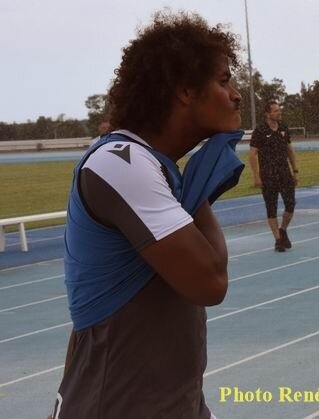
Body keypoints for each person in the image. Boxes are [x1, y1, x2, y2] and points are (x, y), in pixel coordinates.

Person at [50, 10, 243, 419]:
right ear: (185, 90)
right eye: (224, 81)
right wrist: (198, 187)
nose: (236, 95)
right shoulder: (121, 162)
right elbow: (210, 281)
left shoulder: (151, 165)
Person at [249, 101, 299, 252]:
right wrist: (256, 176)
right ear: (267, 114)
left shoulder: (283, 128)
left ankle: (282, 230)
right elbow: (252, 154)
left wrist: (295, 170)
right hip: (268, 175)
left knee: (290, 205)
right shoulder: (260, 130)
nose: (279, 112)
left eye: (279, 110)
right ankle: (278, 240)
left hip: (284, 173)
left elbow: (289, 150)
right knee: (271, 208)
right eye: (276, 111)